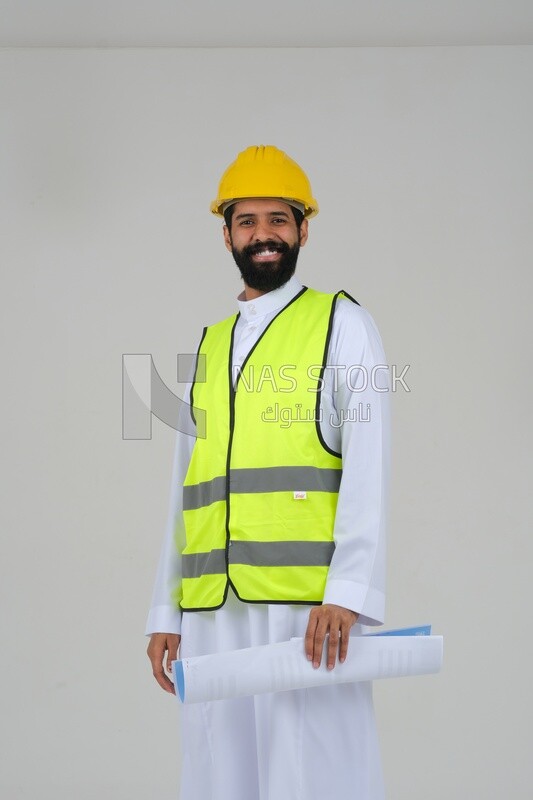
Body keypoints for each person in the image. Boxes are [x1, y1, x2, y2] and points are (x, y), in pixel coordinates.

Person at [146, 145, 390, 800]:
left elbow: (369, 463)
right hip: (210, 612)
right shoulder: (209, 343)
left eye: (277, 220)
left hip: (304, 610)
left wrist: (348, 591)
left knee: (311, 774)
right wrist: (164, 609)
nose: (263, 235)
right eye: (246, 221)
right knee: (217, 775)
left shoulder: (342, 324)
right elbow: (186, 486)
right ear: (225, 233)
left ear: (303, 229)